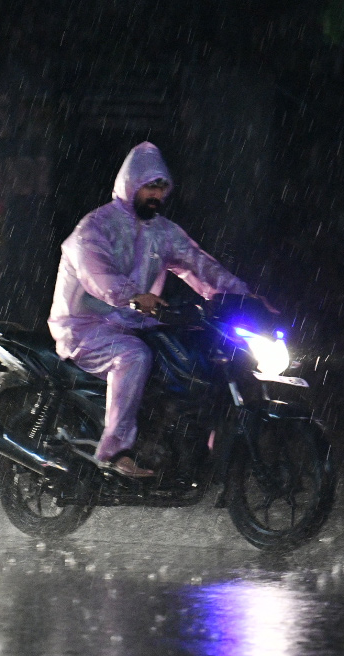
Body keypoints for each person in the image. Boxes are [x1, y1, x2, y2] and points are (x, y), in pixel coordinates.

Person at [48, 142, 252, 478]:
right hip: (85, 327)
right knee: (134, 356)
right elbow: (96, 273)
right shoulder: (95, 227)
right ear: (131, 185)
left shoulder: (163, 233)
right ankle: (114, 453)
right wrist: (133, 296)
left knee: (194, 355)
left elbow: (199, 264)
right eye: (149, 186)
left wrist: (244, 297)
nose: (156, 194)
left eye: (161, 187)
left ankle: (183, 445)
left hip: (133, 323)